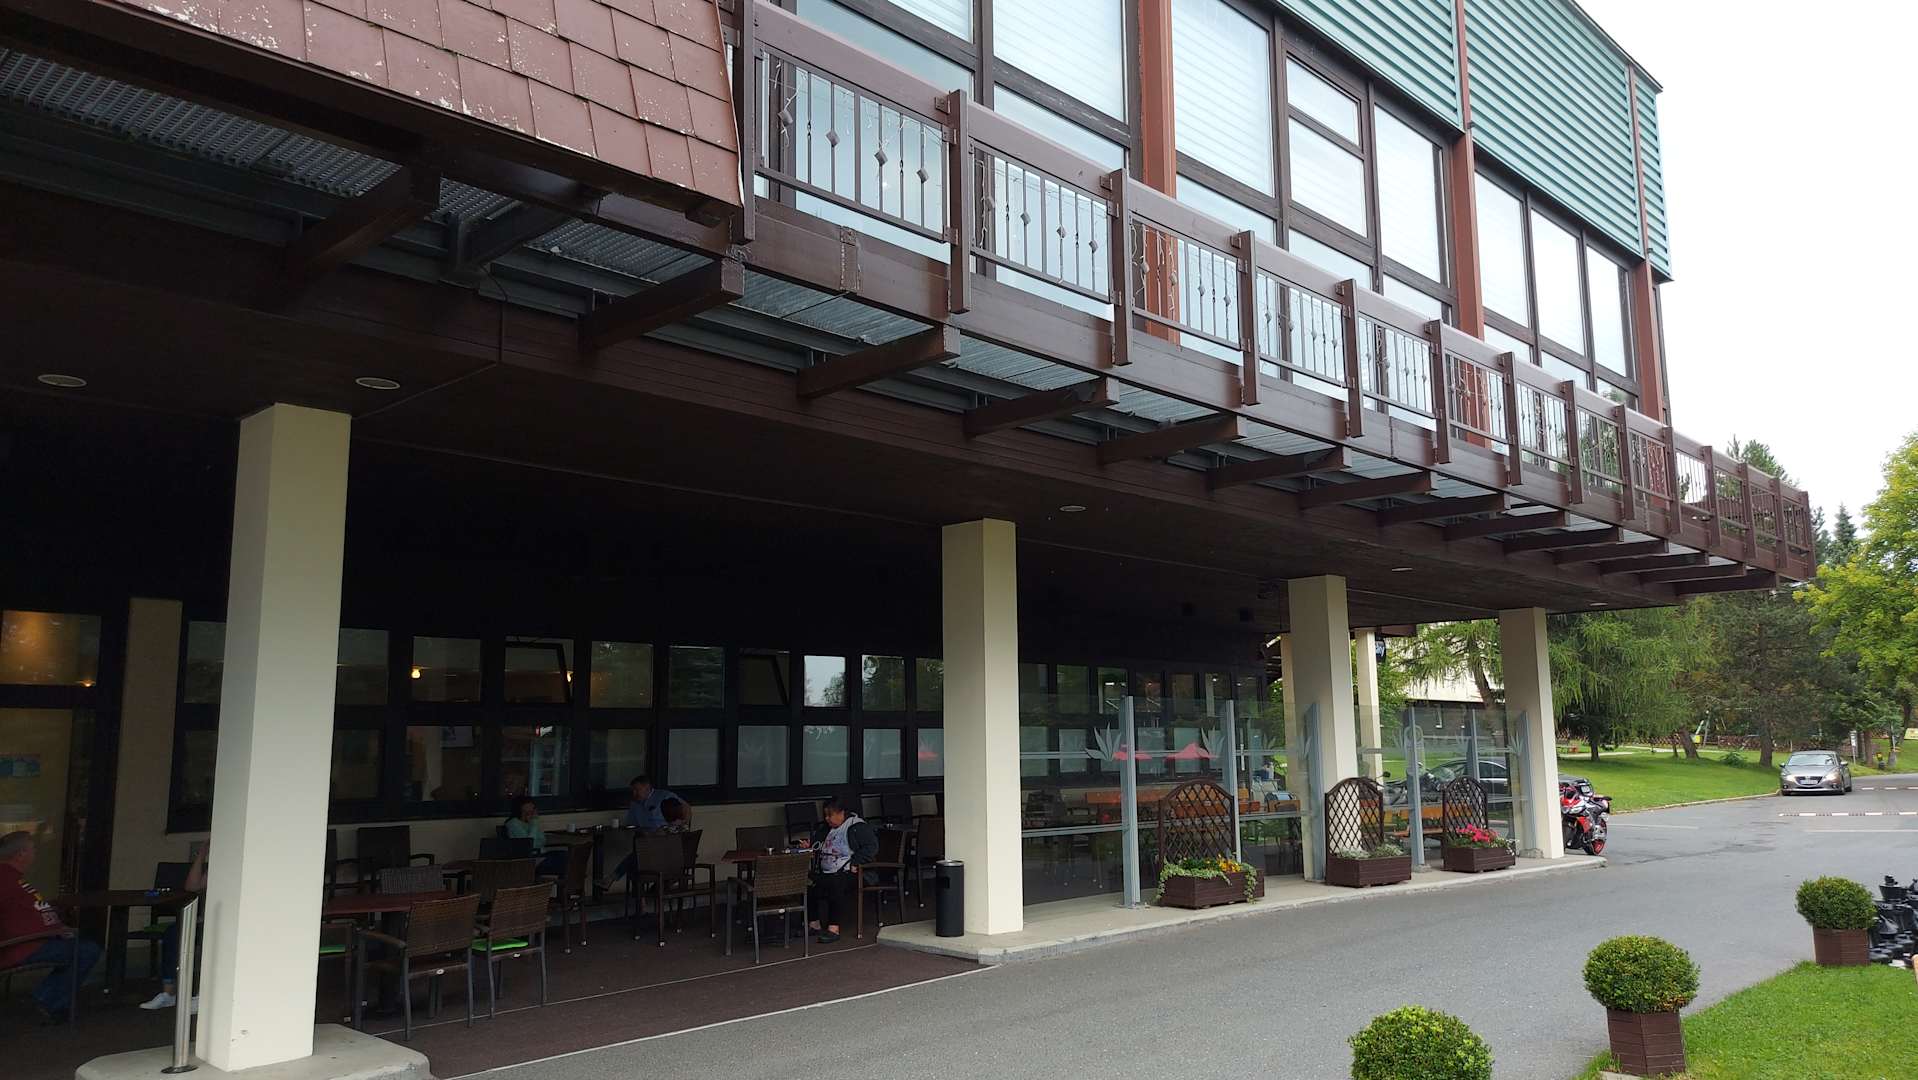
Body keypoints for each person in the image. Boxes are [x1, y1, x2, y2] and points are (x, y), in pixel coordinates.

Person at [0, 830, 101, 1024]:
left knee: (82, 946)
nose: (35, 854)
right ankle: (49, 1000)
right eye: (33, 849)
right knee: (87, 950)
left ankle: (48, 997)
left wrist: (57, 928)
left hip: (34, 941)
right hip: (20, 947)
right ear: (21, 854)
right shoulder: (5, 880)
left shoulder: (14, 878)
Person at [137, 844, 206, 1012]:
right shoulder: (221, 864)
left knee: (209, 936)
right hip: (203, 920)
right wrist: (202, 854)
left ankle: (202, 994)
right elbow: (192, 887)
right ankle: (168, 994)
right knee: (174, 932)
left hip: (223, 922)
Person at [800, 797, 875, 944]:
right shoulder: (826, 828)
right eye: (825, 815)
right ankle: (814, 923)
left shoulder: (856, 826)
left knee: (836, 883)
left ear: (841, 813)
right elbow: (817, 844)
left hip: (850, 872)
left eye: (830, 815)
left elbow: (871, 847)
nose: (827, 818)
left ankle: (834, 928)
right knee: (807, 881)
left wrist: (856, 861)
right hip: (826, 871)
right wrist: (810, 846)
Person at [600, 776, 692, 890]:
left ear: (647, 788)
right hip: (652, 844)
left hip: (663, 849)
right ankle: (643, 890)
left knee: (638, 854)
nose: (634, 793)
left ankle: (616, 880)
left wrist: (675, 824)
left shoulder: (665, 797)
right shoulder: (635, 804)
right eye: (632, 790)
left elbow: (685, 808)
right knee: (639, 852)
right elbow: (631, 824)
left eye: (637, 790)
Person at [504, 798, 569, 877]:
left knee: (566, 855)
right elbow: (530, 844)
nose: (533, 809)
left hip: (541, 855)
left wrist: (533, 824)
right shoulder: (513, 824)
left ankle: (566, 882)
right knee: (563, 862)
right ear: (521, 808)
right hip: (530, 859)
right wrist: (534, 823)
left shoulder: (530, 822)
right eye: (529, 805)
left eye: (533, 807)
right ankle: (564, 882)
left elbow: (542, 840)